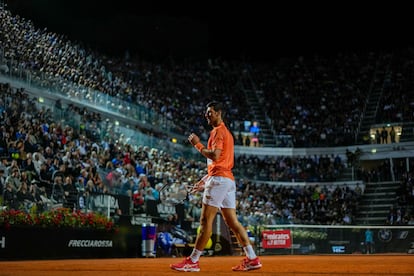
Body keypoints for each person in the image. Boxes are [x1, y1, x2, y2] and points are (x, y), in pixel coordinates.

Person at [170, 101, 262, 272]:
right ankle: (252, 258)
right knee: (233, 222)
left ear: (219, 113)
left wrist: (198, 145)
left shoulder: (218, 132)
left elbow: (215, 155)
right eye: (206, 112)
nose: (207, 115)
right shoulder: (226, 132)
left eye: (210, 112)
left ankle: (193, 261)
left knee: (205, 221)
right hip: (227, 180)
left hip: (220, 180)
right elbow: (220, 163)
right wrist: (204, 180)